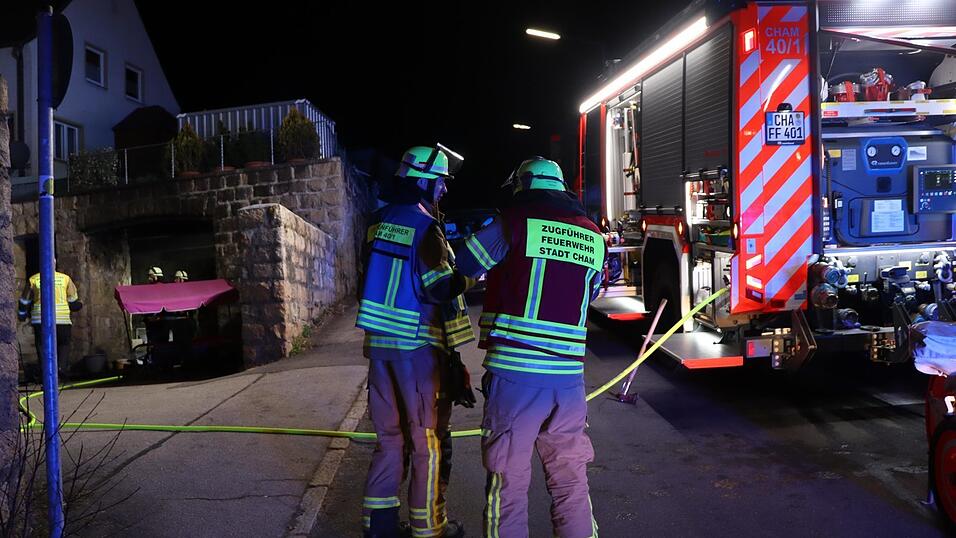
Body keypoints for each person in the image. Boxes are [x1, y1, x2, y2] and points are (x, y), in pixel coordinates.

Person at [454, 157, 606, 538]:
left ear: (523, 185)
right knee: (571, 482)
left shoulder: (513, 222)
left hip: (516, 378)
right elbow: (589, 292)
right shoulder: (593, 235)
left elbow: (464, 263)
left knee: (507, 484)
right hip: (568, 382)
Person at [356, 146, 475, 538]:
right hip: (417, 348)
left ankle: (379, 527)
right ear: (423, 180)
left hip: (379, 349)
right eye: (440, 182)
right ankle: (429, 528)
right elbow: (438, 286)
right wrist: (470, 277)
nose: (444, 190)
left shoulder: (377, 221)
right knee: (426, 442)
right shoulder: (426, 227)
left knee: (389, 439)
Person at [18, 261, 82, 380]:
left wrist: (21, 315)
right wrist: (78, 305)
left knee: (42, 346)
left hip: (40, 320)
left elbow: (24, 301)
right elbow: (73, 302)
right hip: (62, 320)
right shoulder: (65, 279)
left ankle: (46, 373)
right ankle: (61, 368)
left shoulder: (34, 279)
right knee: (63, 344)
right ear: (55, 264)